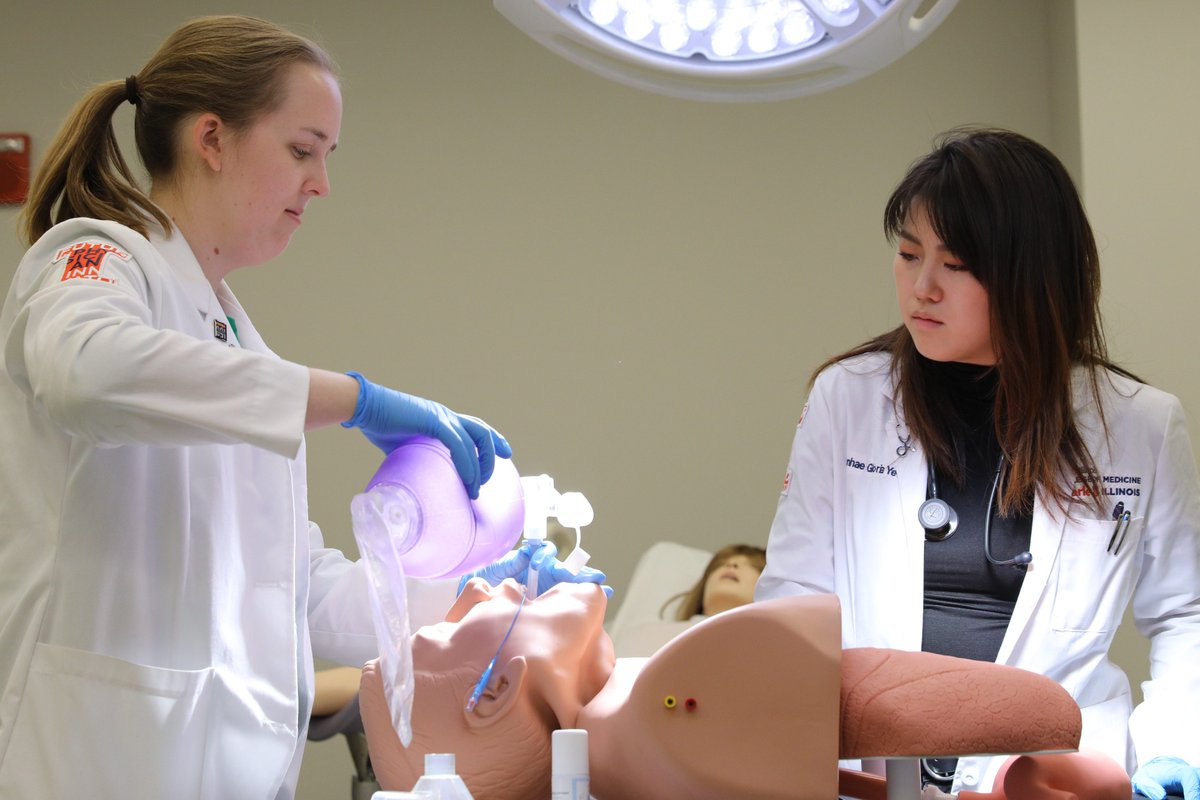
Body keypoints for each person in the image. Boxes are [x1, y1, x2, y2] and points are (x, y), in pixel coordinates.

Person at [0, 15, 601, 799]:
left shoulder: (240, 343)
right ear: (211, 139)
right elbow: (84, 374)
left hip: (219, 764)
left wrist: (466, 582)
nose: (321, 183)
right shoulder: (97, 258)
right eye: (301, 149)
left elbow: (297, 593)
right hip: (94, 753)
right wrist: (355, 399)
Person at [755, 127, 1200, 798]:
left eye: (955, 265)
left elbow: (1184, 614)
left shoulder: (1140, 423)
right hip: (873, 772)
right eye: (908, 254)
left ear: (1031, 273)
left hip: (1049, 773)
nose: (922, 286)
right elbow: (794, 598)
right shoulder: (848, 397)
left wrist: (1179, 751)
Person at [358, 578, 1129, 800]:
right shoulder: (682, 693)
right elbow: (1022, 710)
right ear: (491, 698)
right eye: (449, 628)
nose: (474, 584)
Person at [661, 543, 766, 620]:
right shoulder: (654, 634)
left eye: (752, 565)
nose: (731, 565)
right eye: (720, 564)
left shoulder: (773, 642)